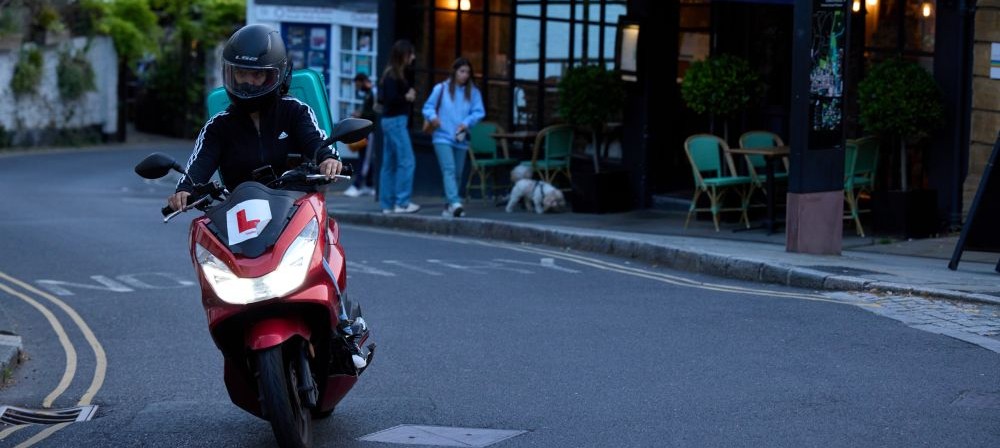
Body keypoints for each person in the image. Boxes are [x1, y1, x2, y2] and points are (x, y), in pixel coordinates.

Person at [168, 24, 343, 211]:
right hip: (241, 218)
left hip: (296, 211)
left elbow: (316, 141)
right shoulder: (218, 126)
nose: (247, 82)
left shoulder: (295, 111)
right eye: (241, 73)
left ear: (276, 75)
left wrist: (328, 159)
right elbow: (200, 164)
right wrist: (185, 190)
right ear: (230, 73)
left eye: (257, 74)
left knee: (330, 239)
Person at [422, 57, 485, 217]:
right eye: (462, 71)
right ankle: (456, 202)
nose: (465, 75)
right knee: (449, 169)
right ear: (454, 71)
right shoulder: (441, 89)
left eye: (468, 72)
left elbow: (479, 112)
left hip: (461, 137)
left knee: (457, 172)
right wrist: (433, 117)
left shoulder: (473, 92)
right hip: (442, 135)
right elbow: (427, 107)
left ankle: (449, 205)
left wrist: (467, 122)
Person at [377, 39, 421, 214]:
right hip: (396, 121)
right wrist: (408, 97)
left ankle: (387, 204)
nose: (413, 57)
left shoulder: (391, 74)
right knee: (407, 161)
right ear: (403, 55)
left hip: (390, 121)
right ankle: (402, 202)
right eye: (410, 54)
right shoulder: (393, 75)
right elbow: (391, 100)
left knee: (389, 164)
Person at [343, 73, 376, 197]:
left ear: (363, 81)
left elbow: (375, 112)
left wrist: (360, 116)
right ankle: (369, 185)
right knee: (366, 159)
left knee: (365, 160)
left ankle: (357, 186)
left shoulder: (373, 93)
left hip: (370, 131)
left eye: (358, 85)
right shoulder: (369, 93)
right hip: (367, 130)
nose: (357, 88)